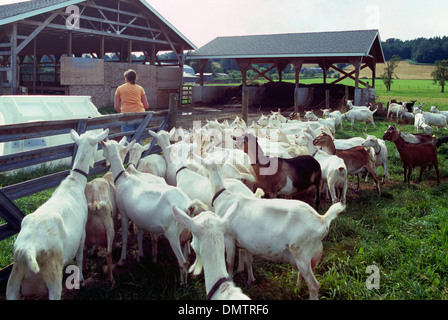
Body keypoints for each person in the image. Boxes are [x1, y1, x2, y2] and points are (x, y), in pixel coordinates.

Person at [114, 69, 149, 143]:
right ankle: (138, 154)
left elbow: (116, 106)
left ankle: (129, 154)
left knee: (128, 140)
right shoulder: (140, 88)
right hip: (140, 115)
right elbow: (146, 106)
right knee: (138, 138)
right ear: (135, 78)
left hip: (127, 116)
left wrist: (123, 110)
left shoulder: (119, 89)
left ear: (126, 78)